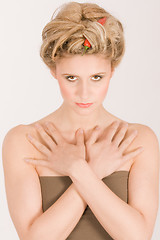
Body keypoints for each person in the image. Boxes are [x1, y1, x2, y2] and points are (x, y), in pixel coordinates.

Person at [2, 1, 159, 239]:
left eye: (97, 77)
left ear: (112, 70)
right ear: (53, 71)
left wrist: (80, 171)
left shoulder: (139, 140)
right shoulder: (23, 140)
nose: (84, 93)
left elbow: (137, 236)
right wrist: (90, 172)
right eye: (71, 78)